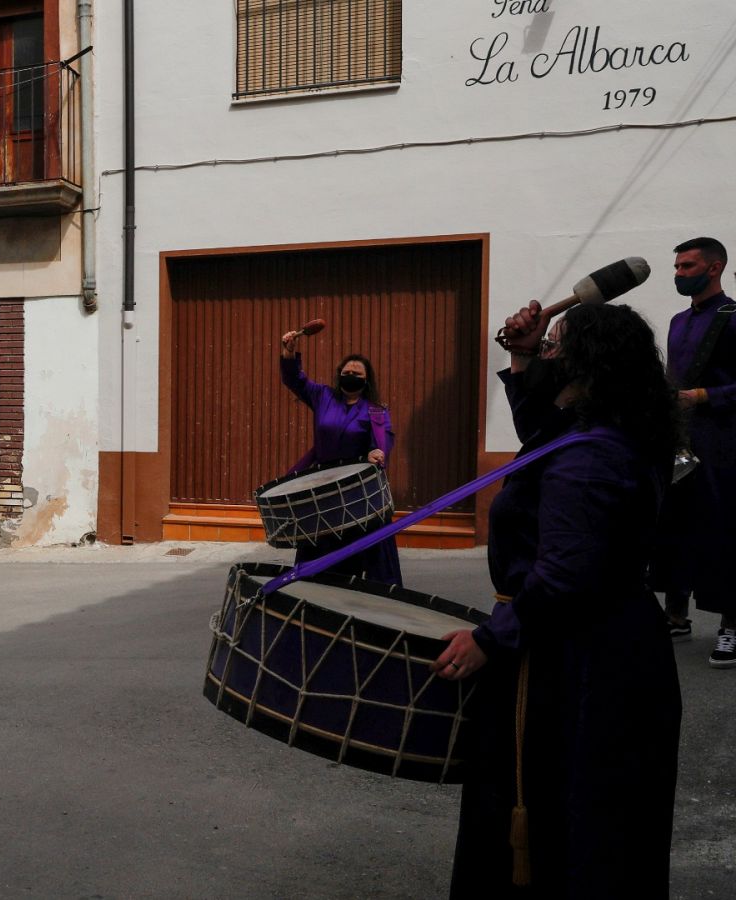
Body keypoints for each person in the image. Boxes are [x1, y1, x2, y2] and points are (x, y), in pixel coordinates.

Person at [434, 302, 680, 897]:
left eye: (553, 346)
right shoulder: (597, 429)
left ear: (585, 362)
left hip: (581, 664)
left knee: (571, 818)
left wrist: (490, 639)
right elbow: (540, 432)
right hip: (603, 646)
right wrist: (521, 354)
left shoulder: (591, 457)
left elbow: (567, 574)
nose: (546, 352)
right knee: (592, 822)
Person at [650, 237, 736, 666]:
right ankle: (676, 615)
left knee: (723, 533)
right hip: (680, 439)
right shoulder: (678, 321)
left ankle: (731, 626)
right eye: (678, 267)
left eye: (687, 267)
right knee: (675, 526)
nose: (679, 274)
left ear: (714, 268)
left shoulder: (733, 318)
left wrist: (703, 395)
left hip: (723, 443)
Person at [278, 331, 402, 586]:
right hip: (323, 488)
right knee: (317, 548)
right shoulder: (323, 396)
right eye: (348, 372)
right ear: (339, 375)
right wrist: (289, 353)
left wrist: (376, 453)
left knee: (362, 553)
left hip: (356, 492)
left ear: (366, 381)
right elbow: (295, 380)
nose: (351, 376)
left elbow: (383, 442)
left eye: (358, 374)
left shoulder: (376, 411)